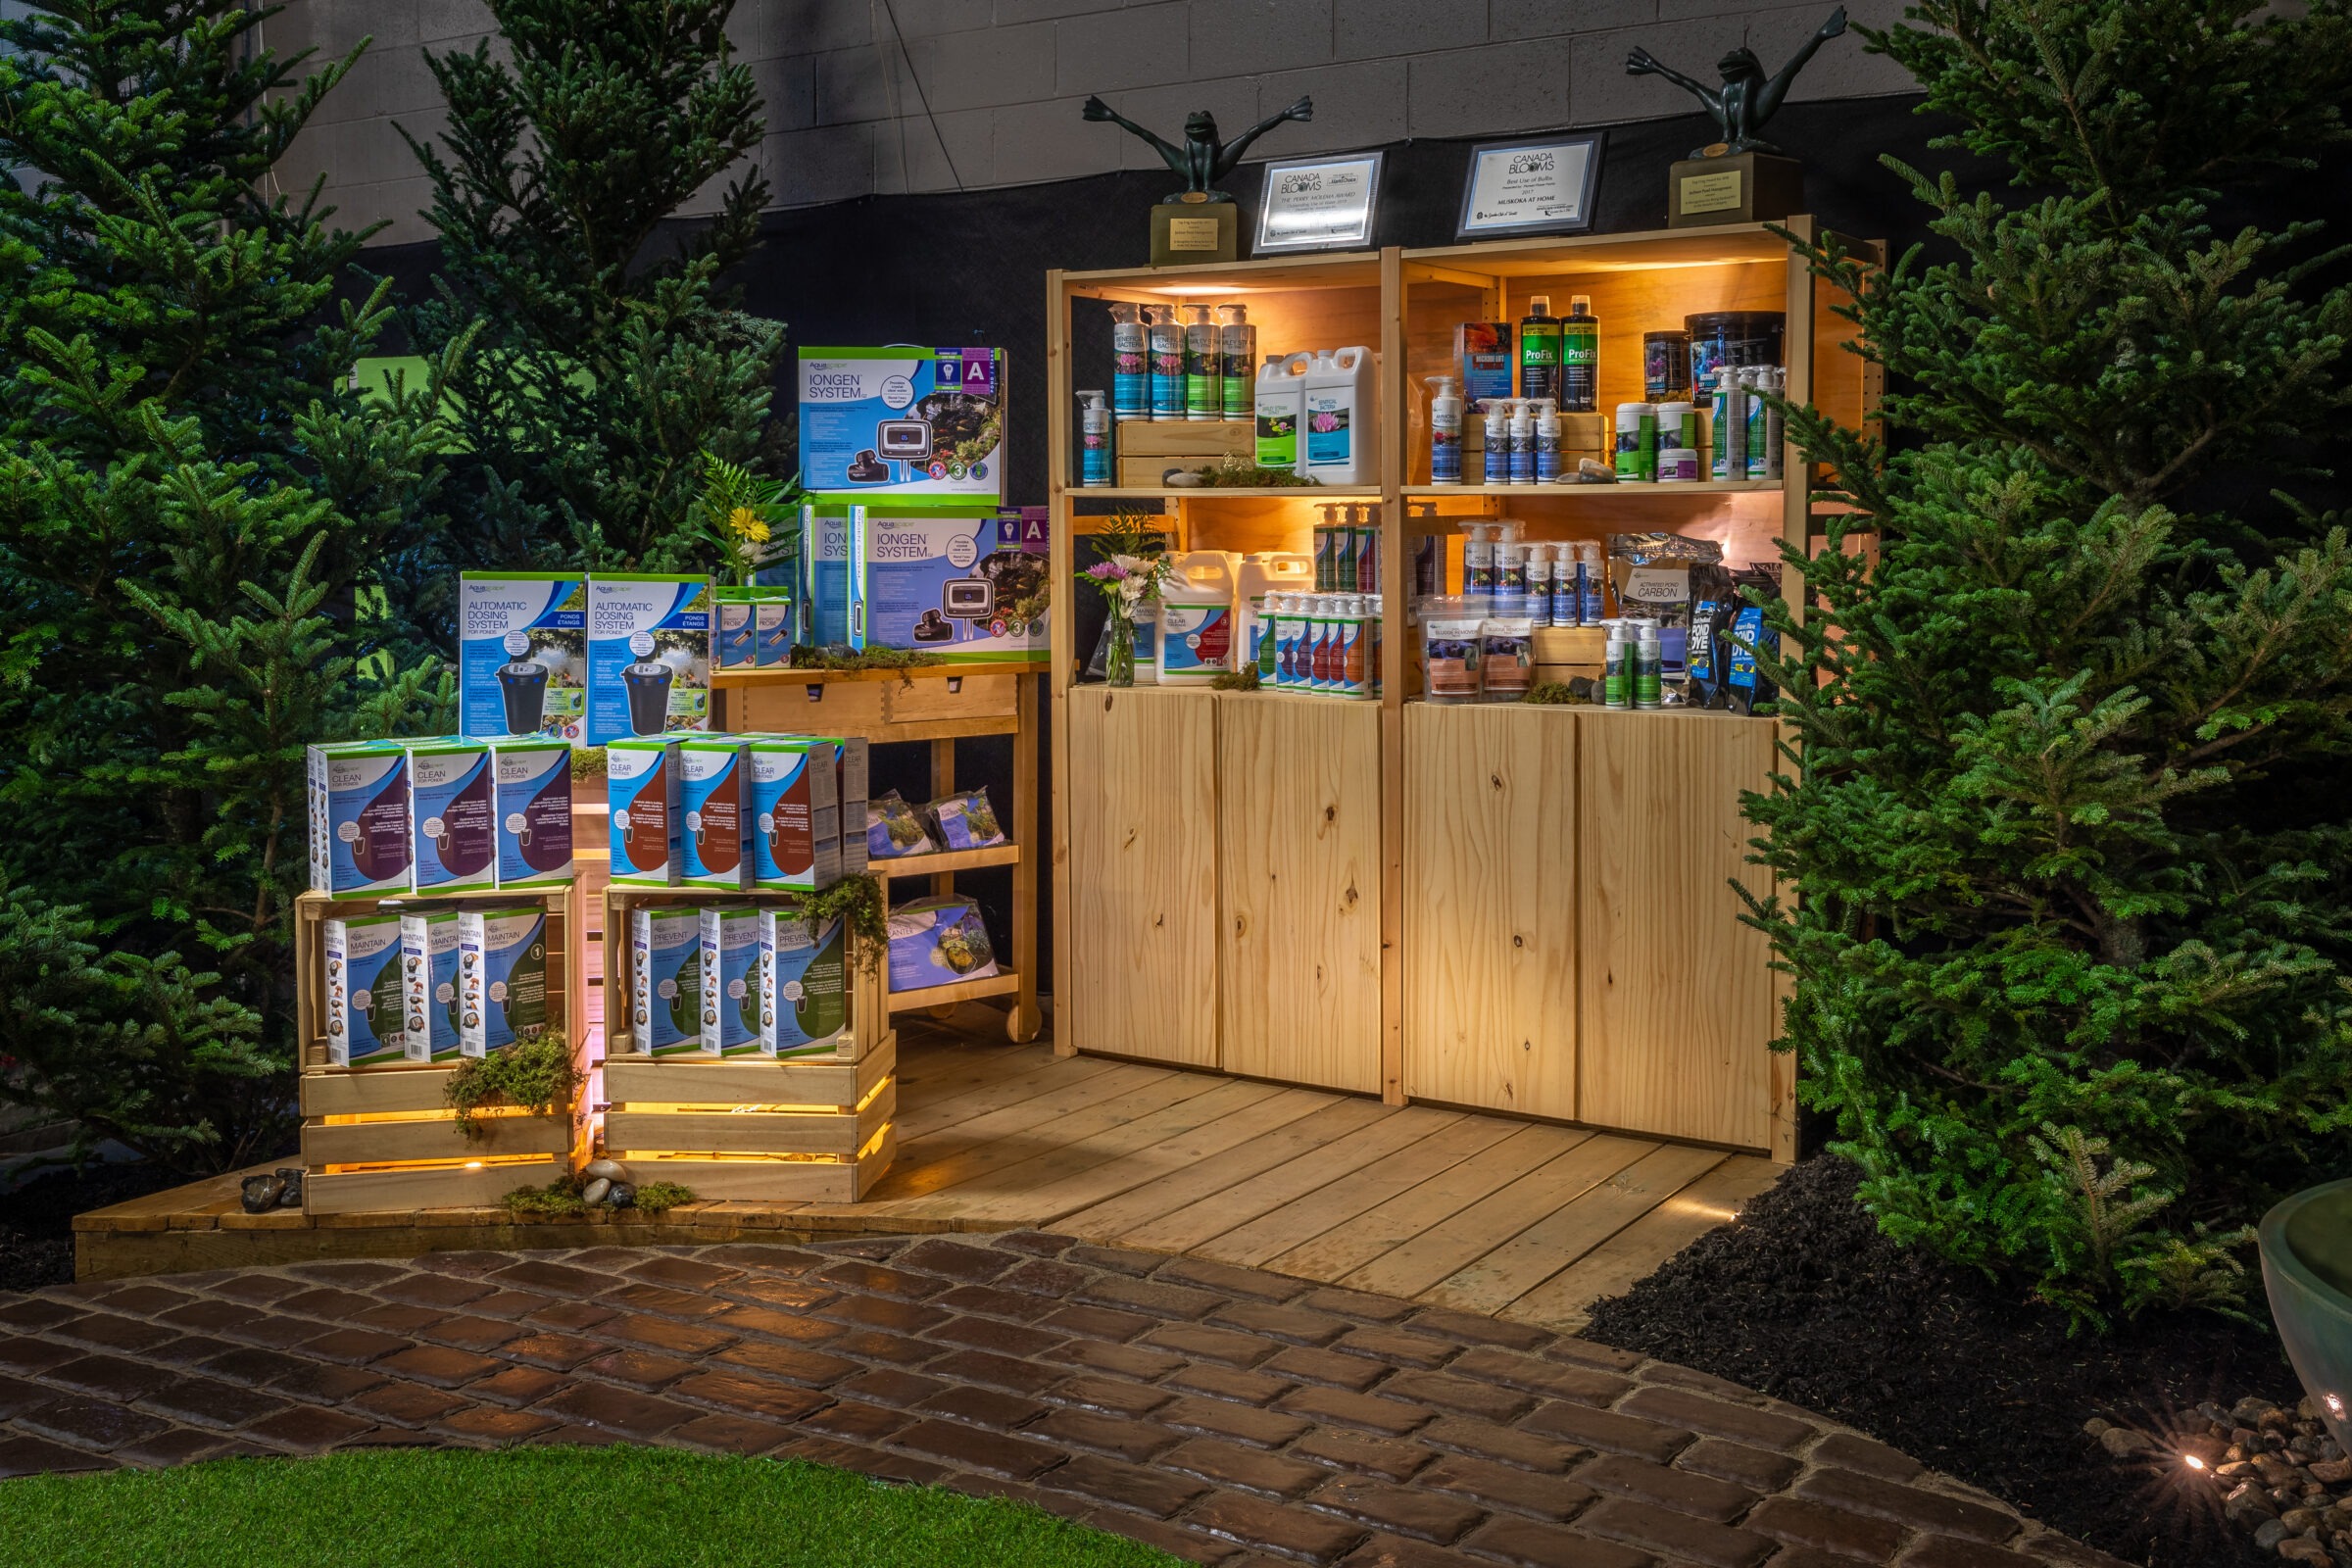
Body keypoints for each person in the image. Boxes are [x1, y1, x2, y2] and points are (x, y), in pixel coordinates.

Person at [1627, 8, 1849, 157]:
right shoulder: (1726, 88)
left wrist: (1820, 36)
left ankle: (1741, 138)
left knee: (1787, 73)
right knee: (1696, 89)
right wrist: (1654, 67)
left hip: (1756, 111)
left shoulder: (1750, 83)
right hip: (1729, 124)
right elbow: (1689, 84)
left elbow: (1792, 67)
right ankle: (1735, 139)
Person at [1081, 96, 1315, 203]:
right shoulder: (1188, 145)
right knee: (1153, 140)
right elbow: (1146, 135)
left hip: (1217, 169)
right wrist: (1113, 117)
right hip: (1186, 170)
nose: (1195, 128)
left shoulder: (1213, 145)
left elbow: (1255, 131)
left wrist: (1285, 115)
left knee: (1249, 136)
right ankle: (1198, 193)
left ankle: (1206, 192)